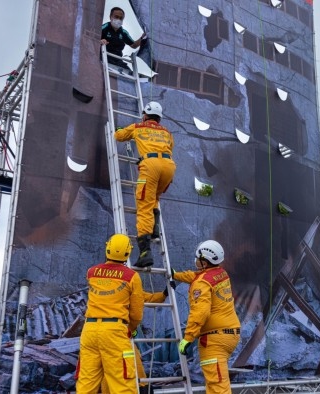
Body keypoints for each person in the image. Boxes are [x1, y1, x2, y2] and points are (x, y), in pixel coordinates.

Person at [75, 234, 144, 393]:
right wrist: (130, 328)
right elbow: (136, 312)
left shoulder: (91, 272)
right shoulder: (132, 277)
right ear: (128, 253)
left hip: (90, 331)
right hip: (114, 332)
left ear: (107, 248)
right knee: (122, 384)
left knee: (86, 383)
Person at [173, 240, 240, 394]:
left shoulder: (202, 283)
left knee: (218, 387)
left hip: (214, 340)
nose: (195, 260)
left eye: (198, 258)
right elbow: (197, 276)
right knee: (214, 383)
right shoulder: (221, 274)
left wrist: (188, 338)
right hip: (230, 335)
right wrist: (176, 275)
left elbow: (200, 313)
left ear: (204, 261)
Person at [115, 102, 176, 268]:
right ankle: (154, 229)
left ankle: (145, 252)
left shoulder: (138, 127)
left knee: (144, 206)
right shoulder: (167, 132)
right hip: (169, 166)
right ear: (159, 117)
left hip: (150, 166)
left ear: (145, 115)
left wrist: (119, 129)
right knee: (155, 196)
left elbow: (118, 136)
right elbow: (171, 146)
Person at [100, 289, 168, 394]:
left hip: (123, 336)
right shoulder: (105, 294)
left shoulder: (129, 291)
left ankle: (142, 388)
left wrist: (164, 294)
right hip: (109, 337)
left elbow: (148, 298)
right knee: (109, 372)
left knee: (135, 368)